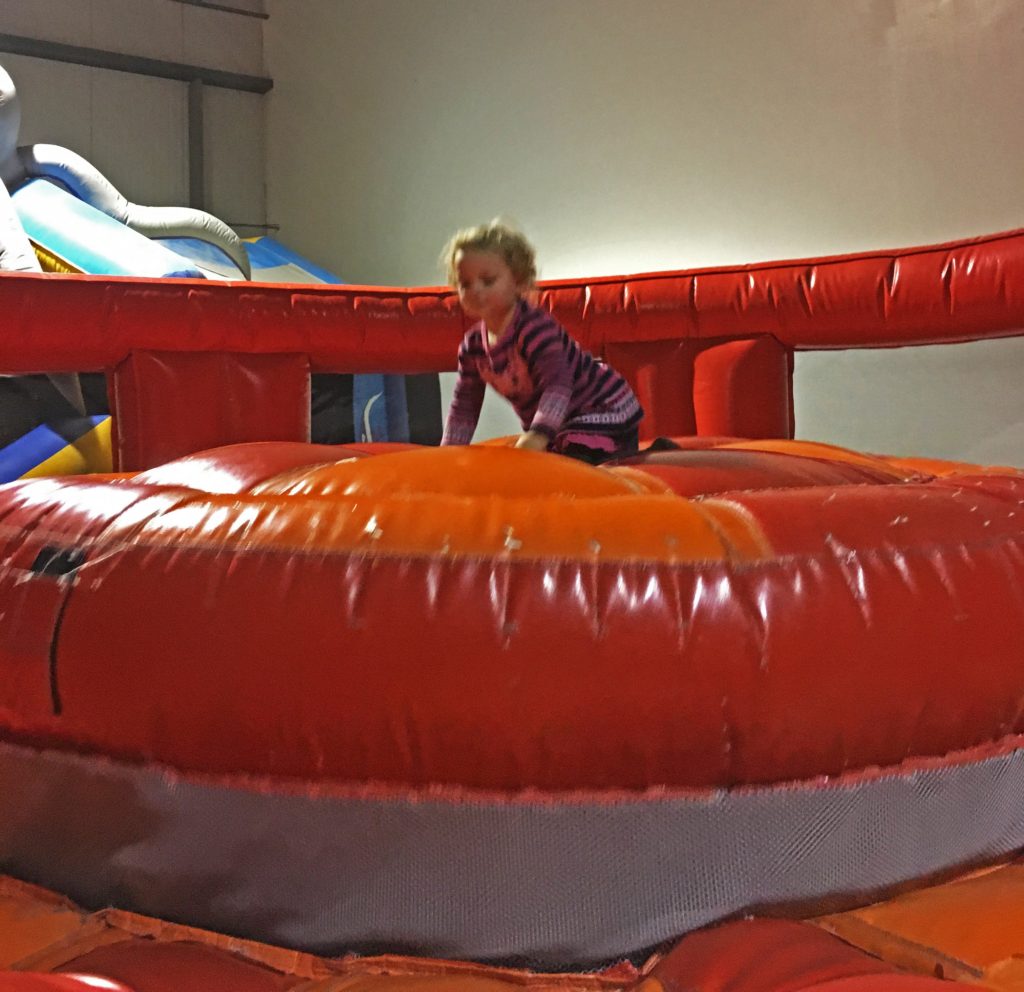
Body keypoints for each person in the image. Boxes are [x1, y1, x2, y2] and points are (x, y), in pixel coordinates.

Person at [439, 220, 643, 463]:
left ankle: (643, 454)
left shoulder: (533, 328)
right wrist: (448, 453)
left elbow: (558, 384)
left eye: (488, 280)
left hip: (602, 409)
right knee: (551, 454)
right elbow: (465, 405)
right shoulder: (473, 347)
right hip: (563, 423)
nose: (476, 291)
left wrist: (537, 435)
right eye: (465, 283)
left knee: (566, 460)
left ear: (518, 281)